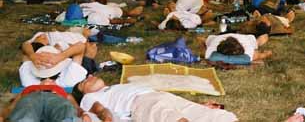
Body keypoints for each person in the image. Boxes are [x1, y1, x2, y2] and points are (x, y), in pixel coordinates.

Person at [72, 74, 237, 122]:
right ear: (83, 93)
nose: (90, 76)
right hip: (140, 103)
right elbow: (99, 109)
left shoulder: (115, 87)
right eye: (83, 82)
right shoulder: (89, 98)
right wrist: (107, 118)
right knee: (169, 118)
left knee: (219, 117)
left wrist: (197, 104)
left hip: (161, 96)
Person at [0, 79, 90, 122]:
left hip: (56, 98)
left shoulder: (62, 91)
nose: (48, 80)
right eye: (44, 80)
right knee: (26, 110)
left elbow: (75, 106)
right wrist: (3, 116)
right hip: (32, 96)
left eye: (52, 80)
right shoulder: (29, 89)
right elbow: (13, 105)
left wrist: (83, 114)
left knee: (64, 108)